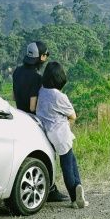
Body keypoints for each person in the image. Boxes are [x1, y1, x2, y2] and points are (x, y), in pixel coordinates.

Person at [12, 41, 70, 203]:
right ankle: (50, 189)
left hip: (20, 116)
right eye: (45, 55)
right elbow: (32, 105)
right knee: (47, 152)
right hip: (33, 120)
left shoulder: (17, 72)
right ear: (41, 57)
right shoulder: (36, 78)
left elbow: (14, 96)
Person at [35, 62, 87, 209]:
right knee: (68, 166)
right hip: (61, 133)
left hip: (47, 133)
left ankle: (78, 188)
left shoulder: (42, 91)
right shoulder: (59, 96)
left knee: (71, 160)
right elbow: (73, 116)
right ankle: (75, 196)